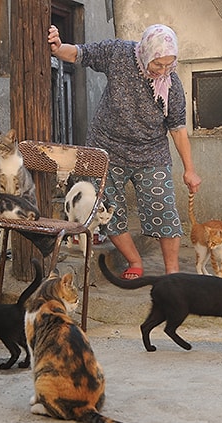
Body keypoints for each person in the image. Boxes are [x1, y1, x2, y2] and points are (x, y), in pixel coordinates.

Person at [48, 23, 202, 278]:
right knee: (109, 211)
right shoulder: (119, 53)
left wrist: (190, 170)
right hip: (107, 149)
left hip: (151, 152)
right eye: (158, 64)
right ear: (145, 53)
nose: (162, 71)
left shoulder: (171, 84)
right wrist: (57, 47)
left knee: (164, 210)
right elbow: (80, 54)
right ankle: (135, 262)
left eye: (168, 65)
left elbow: (177, 128)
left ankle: (172, 274)